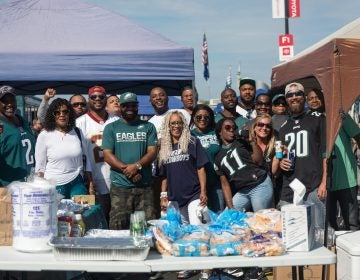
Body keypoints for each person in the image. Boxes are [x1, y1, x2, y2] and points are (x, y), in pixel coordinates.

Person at [158, 110, 208, 280]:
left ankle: (205, 269)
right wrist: (163, 196)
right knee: (184, 234)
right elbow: (163, 175)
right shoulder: (164, 146)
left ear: (184, 124)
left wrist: (203, 191)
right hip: (175, 198)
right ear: (168, 126)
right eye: (173, 123)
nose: (176, 126)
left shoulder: (193, 141)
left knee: (197, 230)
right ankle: (190, 266)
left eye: (179, 123)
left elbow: (200, 167)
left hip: (194, 194)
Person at [275, 82, 327, 230]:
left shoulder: (317, 118)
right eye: (290, 95)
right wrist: (281, 163)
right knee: (291, 233)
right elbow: (282, 155)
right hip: (291, 186)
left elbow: (326, 153)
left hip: (314, 185)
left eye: (297, 93)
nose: (294, 97)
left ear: (304, 97)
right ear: (286, 99)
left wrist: (324, 182)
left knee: (318, 231)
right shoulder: (284, 127)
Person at [306, 89, 360, 230]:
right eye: (311, 98)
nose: (314, 100)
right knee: (328, 225)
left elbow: (358, 136)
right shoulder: (307, 121)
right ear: (307, 101)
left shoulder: (339, 116)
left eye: (317, 97)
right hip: (322, 182)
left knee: (352, 222)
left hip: (345, 178)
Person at [103, 92, 157, 230]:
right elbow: (107, 155)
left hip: (144, 186)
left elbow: (152, 152)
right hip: (120, 187)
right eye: (126, 105)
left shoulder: (148, 127)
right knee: (118, 228)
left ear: (138, 106)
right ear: (120, 107)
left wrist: (137, 166)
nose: (130, 108)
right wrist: (130, 171)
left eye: (133, 105)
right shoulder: (111, 128)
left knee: (148, 227)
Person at [35, 98, 94, 199]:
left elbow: (86, 159)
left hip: (78, 182)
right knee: (58, 214)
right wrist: (40, 190)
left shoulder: (78, 132)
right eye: (57, 112)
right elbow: (40, 167)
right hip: (54, 185)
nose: (61, 114)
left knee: (81, 212)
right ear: (52, 115)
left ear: (69, 114)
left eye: (65, 111)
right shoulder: (44, 135)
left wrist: (91, 184)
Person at [76, 85, 117, 224]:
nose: (97, 99)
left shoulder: (116, 121)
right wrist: (88, 180)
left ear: (106, 99)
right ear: (89, 100)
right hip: (94, 179)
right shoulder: (80, 122)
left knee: (117, 221)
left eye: (101, 96)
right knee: (96, 221)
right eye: (94, 97)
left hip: (116, 178)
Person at [214, 117, 273, 212]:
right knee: (227, 219)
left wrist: (252, 141)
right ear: (220, 132)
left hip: (259, 184)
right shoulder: (218, 157)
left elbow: (259, 161)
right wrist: (230, 208)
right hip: (242, 191)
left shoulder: (241, 142)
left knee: (261, 219)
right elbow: (225, 184)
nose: (232, 130)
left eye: (234, 127)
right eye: (228, 127)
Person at [0, 85, 36, 187]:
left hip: (30, 184)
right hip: (9, 188)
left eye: (12, 100)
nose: (10, 104)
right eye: (5, 101)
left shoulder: (22, 120)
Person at [191, 104, 224, 213]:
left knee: (219, 214)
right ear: (193, 118)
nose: (202, 119)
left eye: (206, 117)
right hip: (197, 184)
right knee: (203, 217)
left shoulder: (216, 132)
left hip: (217, 180)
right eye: (199, 117)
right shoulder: (189, 135)